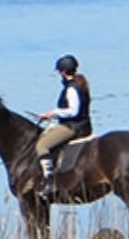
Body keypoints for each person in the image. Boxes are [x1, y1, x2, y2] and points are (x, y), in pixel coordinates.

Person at [35, 54, 93, 199]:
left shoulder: (71, 88)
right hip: (79, 124)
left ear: (63, 71)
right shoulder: (79, 83)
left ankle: (49, 180)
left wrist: (53, 113)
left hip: (74, 127)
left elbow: (73, 111)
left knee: (42, 145)